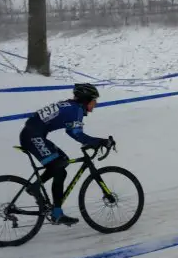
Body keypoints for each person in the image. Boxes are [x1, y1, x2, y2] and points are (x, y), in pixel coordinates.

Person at [19, 83, 114, 226]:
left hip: (34, 134)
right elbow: (76, 134)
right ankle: (51, 207)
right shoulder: (75, 110)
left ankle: (38, 190)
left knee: (62, 163)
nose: (95, 104)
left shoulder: (71, 106)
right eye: (94, 100)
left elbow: (71, 132)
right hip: (33, 136)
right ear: (86, 99)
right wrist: (99, 141)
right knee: (58, 167)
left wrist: (92, 142)